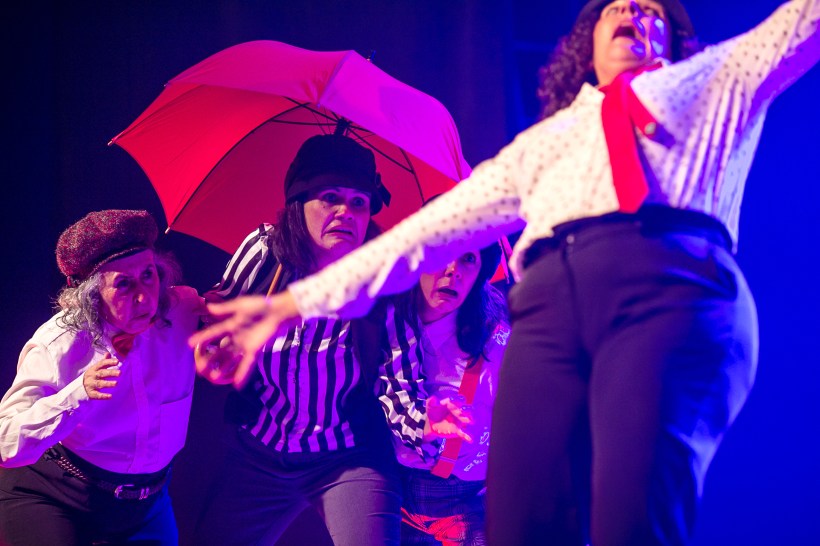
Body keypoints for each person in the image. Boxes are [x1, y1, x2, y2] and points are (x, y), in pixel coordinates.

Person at [190, 1, 819, 544]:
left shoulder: (717, 80)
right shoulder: (546, 140)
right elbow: (424, 235)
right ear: (586, 46)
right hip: (549, 309)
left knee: (631, 512)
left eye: (650, 8)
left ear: (678, 41)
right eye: (613, 7)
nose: (631, 9)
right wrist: (289, 303)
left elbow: (802, 24)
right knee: (522, 522)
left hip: (665, 287)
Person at [192, 133, 433, 546]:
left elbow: (399, 380)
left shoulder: (384, 280)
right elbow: (220, 315)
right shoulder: (265, 253)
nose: (345, 212)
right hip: (259, 452)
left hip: (347, 457)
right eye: (330, 198)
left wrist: (426, 424)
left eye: (359, 202)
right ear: (298, 204)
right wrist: (213, 347)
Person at [0, 209, 203, 545]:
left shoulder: (182, 310)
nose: (144, 297)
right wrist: (78, 394)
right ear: (92, 296)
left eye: (148, 275)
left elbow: (240, 319)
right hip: (57, 493)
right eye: (124, 284)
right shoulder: (58, 343)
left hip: (146, 504)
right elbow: (5, 443)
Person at [392, 240, 508, 546]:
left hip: (464, 495)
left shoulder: (494, 338)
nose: (453, 269)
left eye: (468, 258)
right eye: (442, 253)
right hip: (390, 489)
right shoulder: (384, 322)